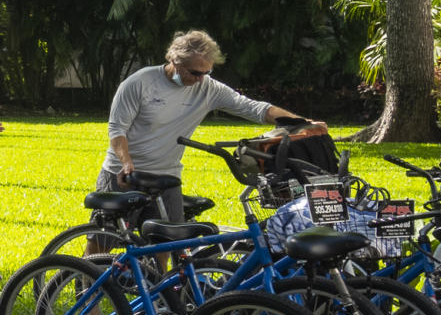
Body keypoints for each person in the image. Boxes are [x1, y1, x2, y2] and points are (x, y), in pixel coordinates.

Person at [100, 29, 324, 218]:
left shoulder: (207, 88)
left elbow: (253, 108)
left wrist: (304, 123)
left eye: (207, 72)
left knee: (164, 242)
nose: (200, 79)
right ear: (175, 61)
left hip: (166, 176)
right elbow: (117, 129)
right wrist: (127, 164)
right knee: (102, 239)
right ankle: (80, 271)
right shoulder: (140, 82)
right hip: (123, 173)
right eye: (195, 72)